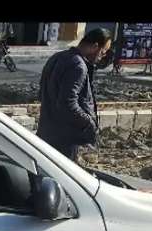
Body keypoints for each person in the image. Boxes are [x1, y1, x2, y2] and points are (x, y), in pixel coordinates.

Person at [37, 28, 113, 161]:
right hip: (64, 140)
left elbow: (42, 93)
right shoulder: (78, 66)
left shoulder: (57, 57)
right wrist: (89, 123)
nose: (102, 56)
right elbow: (68, 103)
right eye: (103, 52)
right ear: (95, 46)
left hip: (46, 131)